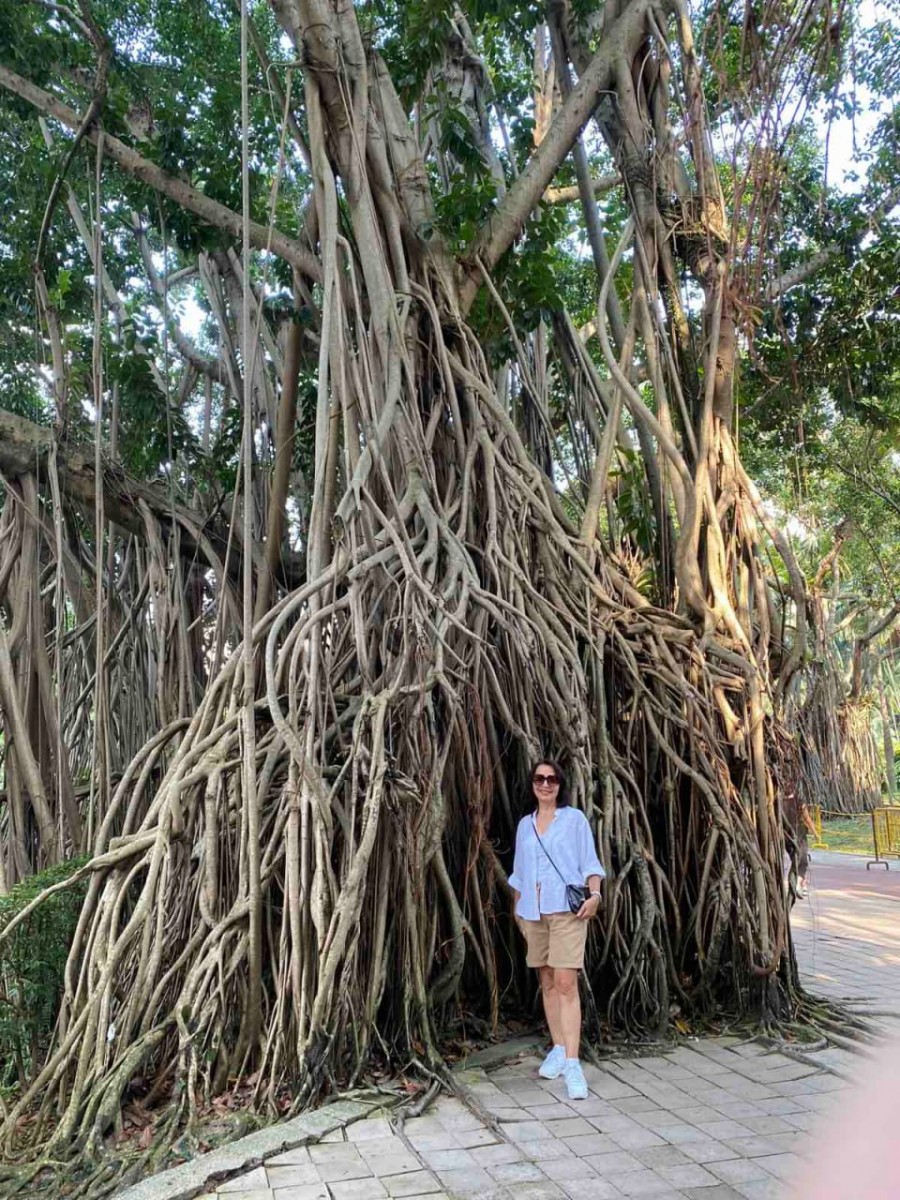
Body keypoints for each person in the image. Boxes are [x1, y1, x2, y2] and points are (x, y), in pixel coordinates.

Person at [508, 759, 605, 1101]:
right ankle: (560, 1050)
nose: (545, 784)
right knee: (547, 981)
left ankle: (574, 1064)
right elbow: (519, 873)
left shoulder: (574, 820)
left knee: (566, 983)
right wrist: (519, 914)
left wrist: (594, 895)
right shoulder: (525, 826)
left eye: (551, 779)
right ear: (532, 784)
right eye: (539, 778)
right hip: (535, 915)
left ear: (560, 785)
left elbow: (591, 863)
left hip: (567, 912)